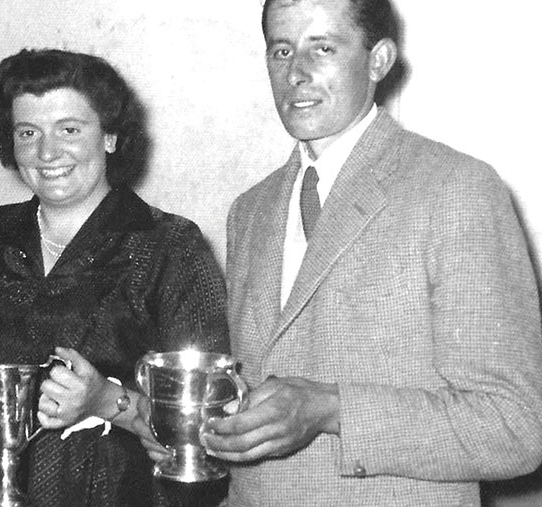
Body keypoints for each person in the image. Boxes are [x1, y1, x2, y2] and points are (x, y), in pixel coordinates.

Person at [199, 0, 542, 505]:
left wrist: (332, 409)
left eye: (323, 48)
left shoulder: (457, 188)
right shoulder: (249, 211)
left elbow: (514, 427)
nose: (296, 72)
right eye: (281, 50)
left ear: (378, 60)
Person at [0, 48, 229, 507]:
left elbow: (207, 426)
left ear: (109, 135)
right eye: (28, 132)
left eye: (69, 129)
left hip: (113, 492)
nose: (47, 153)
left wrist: (105, 400)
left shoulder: (170, 245)